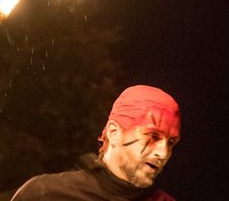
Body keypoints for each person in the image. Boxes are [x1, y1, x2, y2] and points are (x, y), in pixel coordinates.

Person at [10, 85, 181, 200]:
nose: (164, 152)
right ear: (114, 133)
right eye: (153, 136)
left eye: (171, 142)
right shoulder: (46, 194)